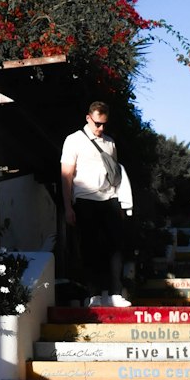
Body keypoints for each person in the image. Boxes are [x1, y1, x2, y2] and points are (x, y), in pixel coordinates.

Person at [61, 101, 133, 308]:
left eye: (104, 124)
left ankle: (115, 294)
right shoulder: (73, 140)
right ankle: (93, 295)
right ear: (88, 118)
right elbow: (66, 174)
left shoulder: (110, 143)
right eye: (97, 123)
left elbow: (115, 175)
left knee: (116, 246)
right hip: (85, 199)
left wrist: (120, 203)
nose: (101, 128)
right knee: (90, 248)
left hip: (109, 198)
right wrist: (68, 207)